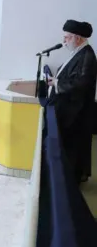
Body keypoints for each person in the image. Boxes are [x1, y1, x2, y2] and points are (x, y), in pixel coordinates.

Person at [47, 19, 97, 183]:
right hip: (70, 109)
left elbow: (82, 84)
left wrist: (57, 83)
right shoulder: (78, 52)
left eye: (67, 38)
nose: (64, 41)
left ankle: (71, 183)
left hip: (78, 113)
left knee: (74, 148)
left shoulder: (88, 55)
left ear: (78, 38)